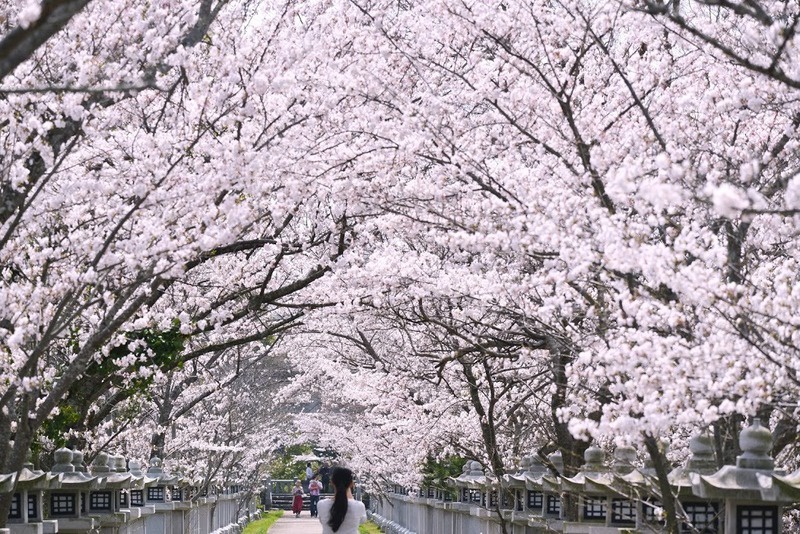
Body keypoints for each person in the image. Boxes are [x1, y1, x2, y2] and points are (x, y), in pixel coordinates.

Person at [317, 467, 366, 534]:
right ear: (351, 484)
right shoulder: (359, 506)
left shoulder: (321, 504)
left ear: (331, 482)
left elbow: (321, 521)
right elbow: (362, 521)